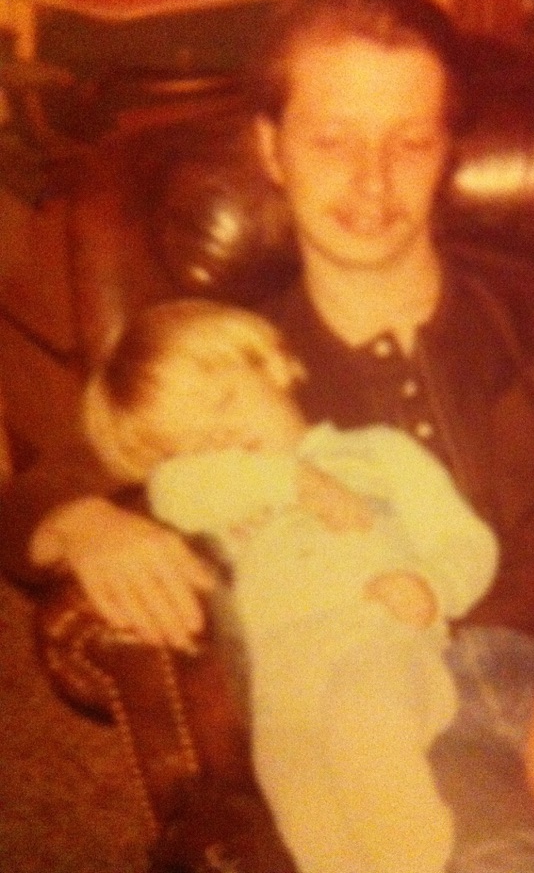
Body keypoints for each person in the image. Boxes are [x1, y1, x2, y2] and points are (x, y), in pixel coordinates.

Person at [4, 0, 534, 872]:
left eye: (410, 142)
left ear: (448, 149)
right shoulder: (235, 360)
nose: (372, 184)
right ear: (272, 147)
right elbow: (58, 471)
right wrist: (83, 521)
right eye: (333, 141)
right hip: (390, 706)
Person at [81, 296, 499, 873]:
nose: (222, 436)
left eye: (224, 401)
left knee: (366, 731)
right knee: (306, 814)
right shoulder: (224, 490)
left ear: (273, 368)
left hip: (379, 643)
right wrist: (288, 480)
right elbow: (172, 490)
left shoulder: (380, 451)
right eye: (196, 439)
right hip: (282, 684)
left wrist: (431, 585)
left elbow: (465, 540)